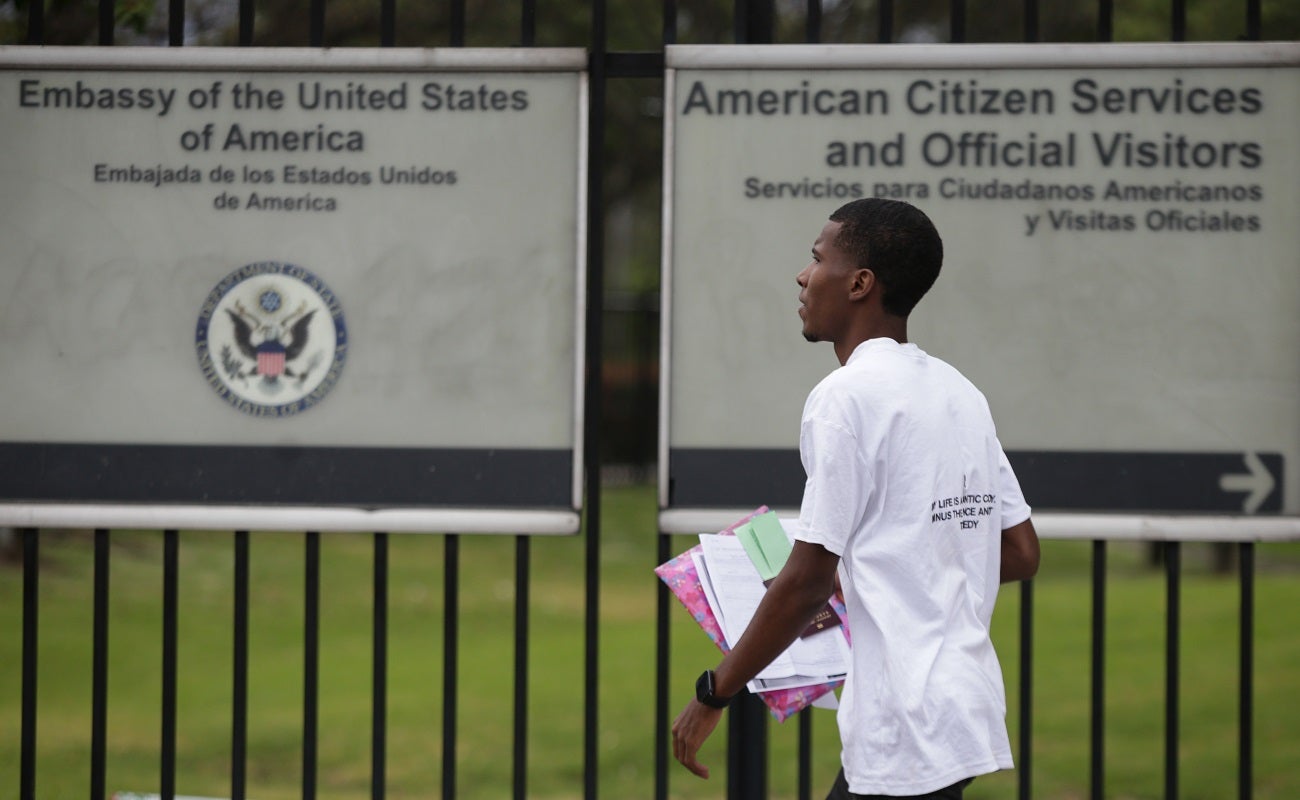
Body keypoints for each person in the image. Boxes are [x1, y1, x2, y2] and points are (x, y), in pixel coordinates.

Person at [671, 198, 1041, 799]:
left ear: (860, 284)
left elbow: (807, 581)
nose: (802, 275)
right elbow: (1021, 552)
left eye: (817, 259)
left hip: (905, 719)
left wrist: (715, 692)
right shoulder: (959, 392)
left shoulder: (844, 398)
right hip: (964, 704)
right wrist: (893, 560)